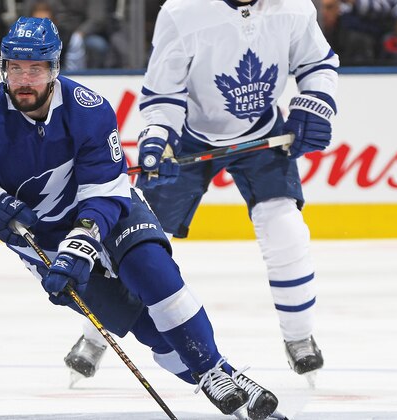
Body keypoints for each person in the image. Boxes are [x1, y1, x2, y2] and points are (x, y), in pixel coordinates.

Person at [0, 16, 285, 420]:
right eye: (15, 67)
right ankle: (222, 373)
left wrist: (85, 238)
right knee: (146, 329)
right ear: (2, 68)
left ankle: (214, 370)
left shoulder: (87, 110)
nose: (24, 79)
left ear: (54, 69)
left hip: (108, 211)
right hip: (39, 239)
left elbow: (103, 190)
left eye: (36, 69)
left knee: (155, 274)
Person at [66, 0, 338, 385]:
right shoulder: (182, 12)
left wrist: (317, 102)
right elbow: (163, 94)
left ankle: (299, 336)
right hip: (188, 139)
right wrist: (158, 141)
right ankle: (94, 334)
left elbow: (316, 62)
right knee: (133, 244)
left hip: (263, 134)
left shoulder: (293, 7)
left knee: (287, 230)